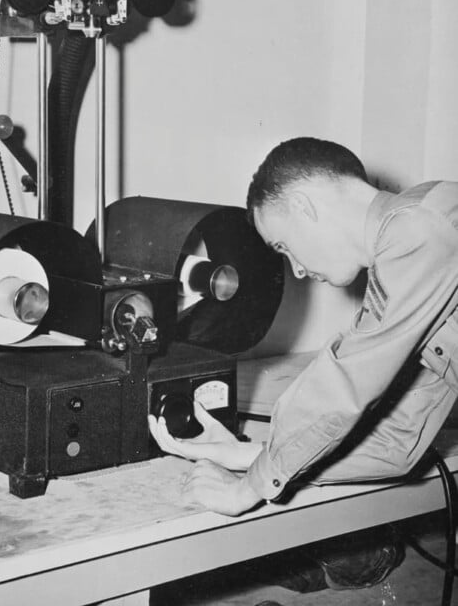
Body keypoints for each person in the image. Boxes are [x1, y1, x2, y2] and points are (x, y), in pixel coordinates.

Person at [149, 137, 458, 517]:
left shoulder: (421, 229)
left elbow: (344, 383)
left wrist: (244, 491)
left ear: (302, 205)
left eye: (282, 246)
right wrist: (250, 456)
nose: (296, 269)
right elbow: (397, 443)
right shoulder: (415, 258)